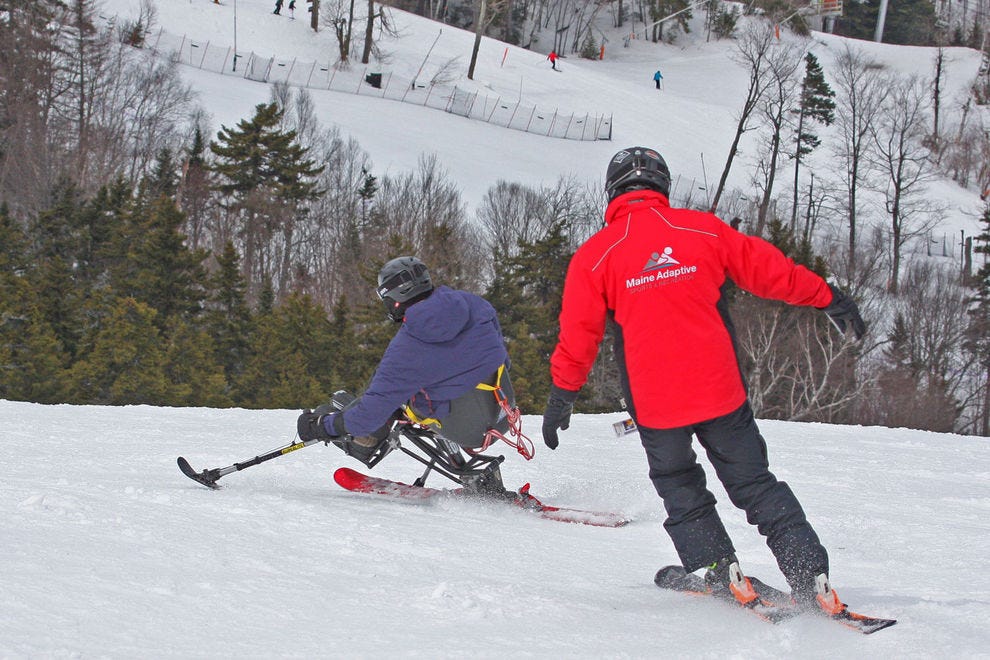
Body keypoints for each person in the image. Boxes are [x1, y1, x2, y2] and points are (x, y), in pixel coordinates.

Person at [541, 146, 867, 614]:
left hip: (656, 407)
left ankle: (722, 570)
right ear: (663, 188)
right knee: (756, 484)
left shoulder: (595, 256)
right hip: (720, 392)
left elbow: (579, 337)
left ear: (612, 193)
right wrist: (827, 296)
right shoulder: (703, 229)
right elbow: (771, 272)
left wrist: (562, 398)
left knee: (680, 484)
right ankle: (809, 573)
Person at [297, 256, 517, 492]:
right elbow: (502, 358)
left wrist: (322, 426)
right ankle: (359, 417)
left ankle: (364, 441)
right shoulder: (475, 305)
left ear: (395, 299)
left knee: (390, 396)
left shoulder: (407, 348)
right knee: (404, 385)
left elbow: (369, 414)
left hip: (468, 429)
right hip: (501, 412)